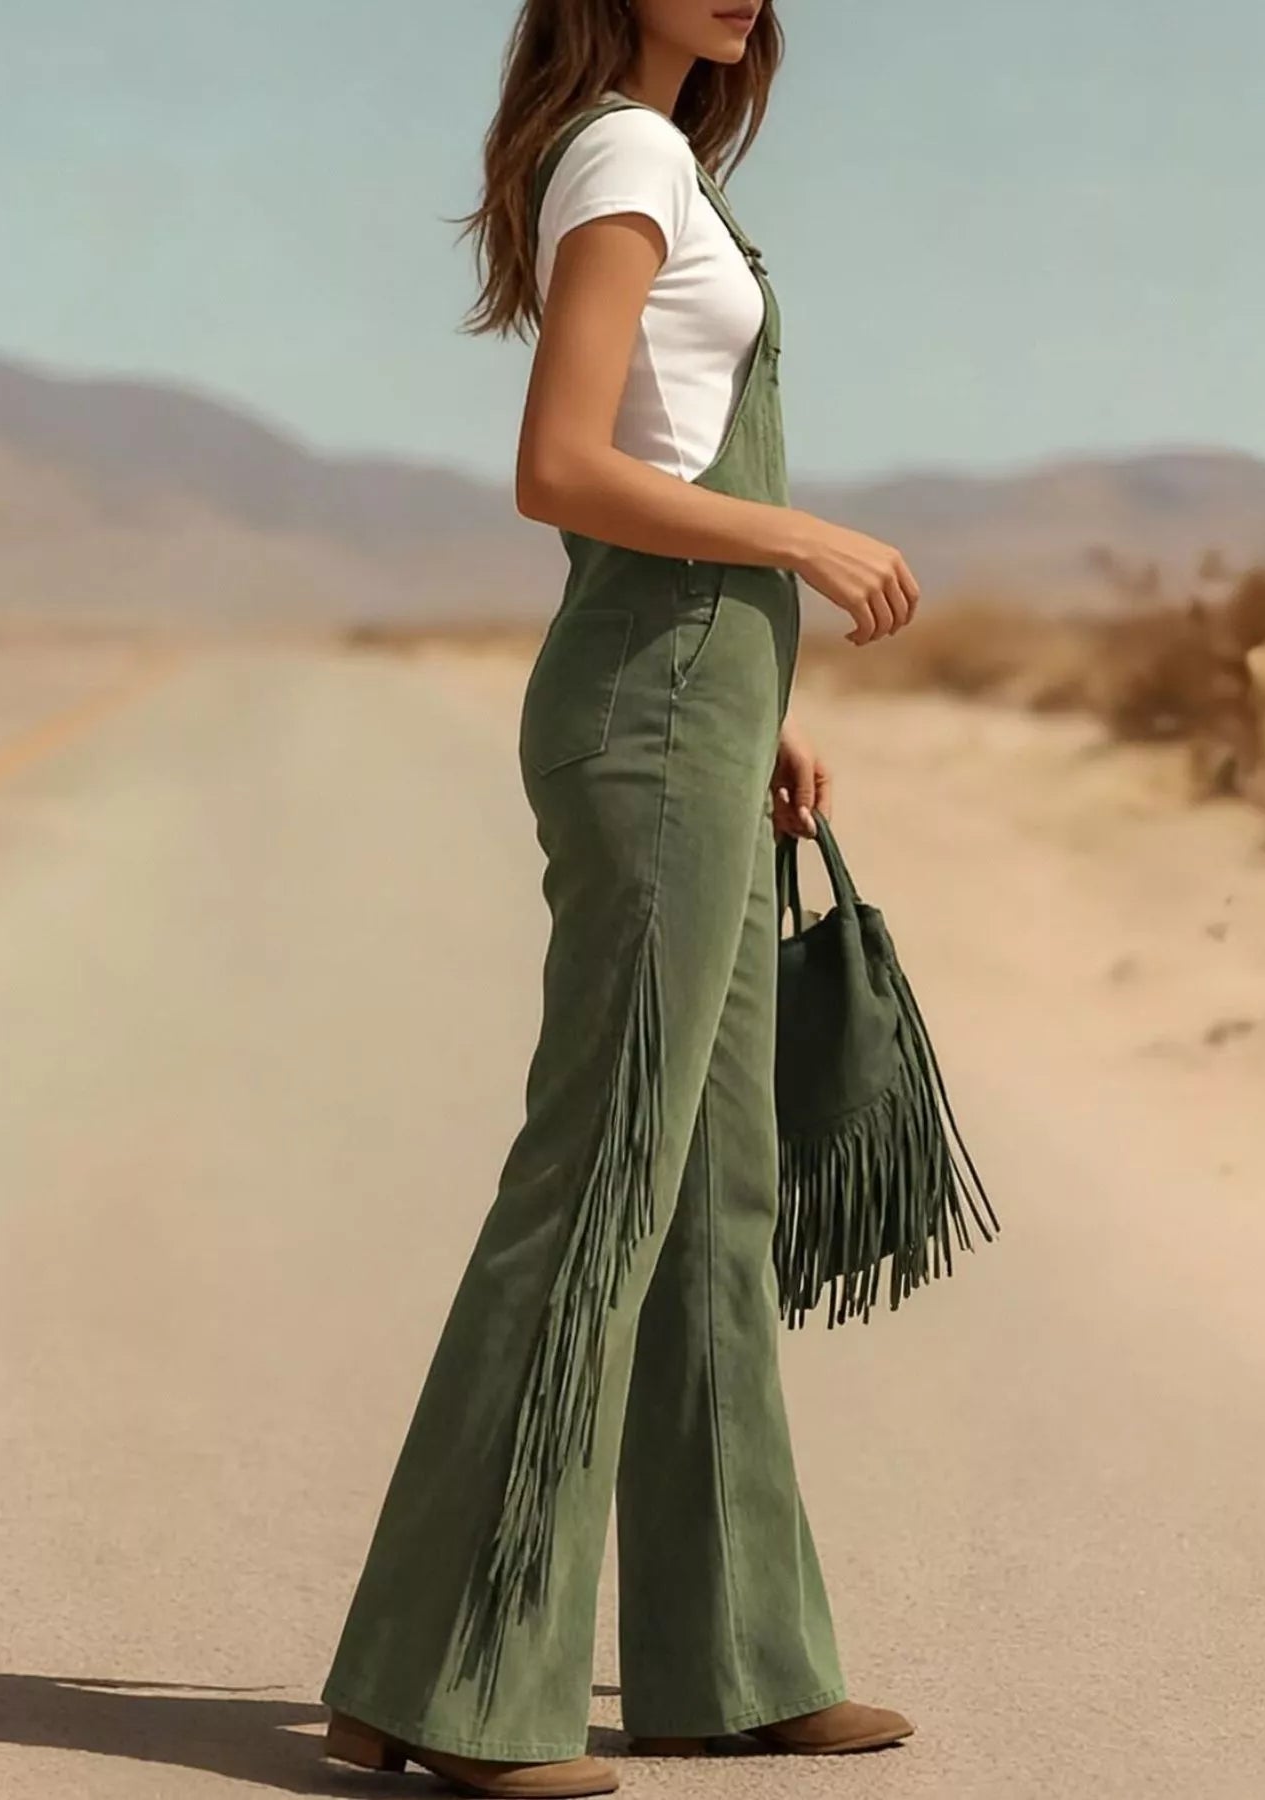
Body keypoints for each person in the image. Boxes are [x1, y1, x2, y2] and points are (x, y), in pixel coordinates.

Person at [321, 3, 921, 1795]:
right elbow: (562, 472)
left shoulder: (674, 168)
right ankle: (439, 1684)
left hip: (706, 722)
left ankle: (726, 1660)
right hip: (645, 720)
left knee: (715, 1191)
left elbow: (644, 486)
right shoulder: (619, 152)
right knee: (599, 1177)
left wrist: (770, 705)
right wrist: (803, 544)